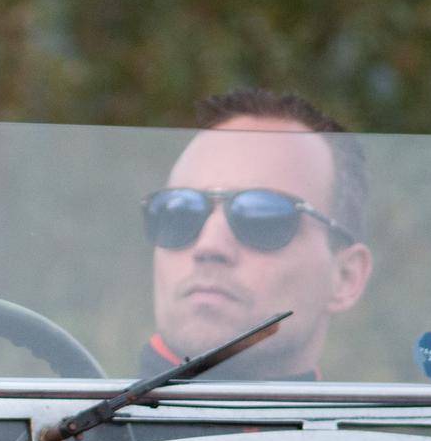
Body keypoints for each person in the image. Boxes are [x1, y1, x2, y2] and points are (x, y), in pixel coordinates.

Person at [141, 88, 373, 379]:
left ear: (345, 277)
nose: (209, 245)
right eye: (180, 212)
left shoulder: (387, 425)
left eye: (263, 217)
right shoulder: (71, 415)